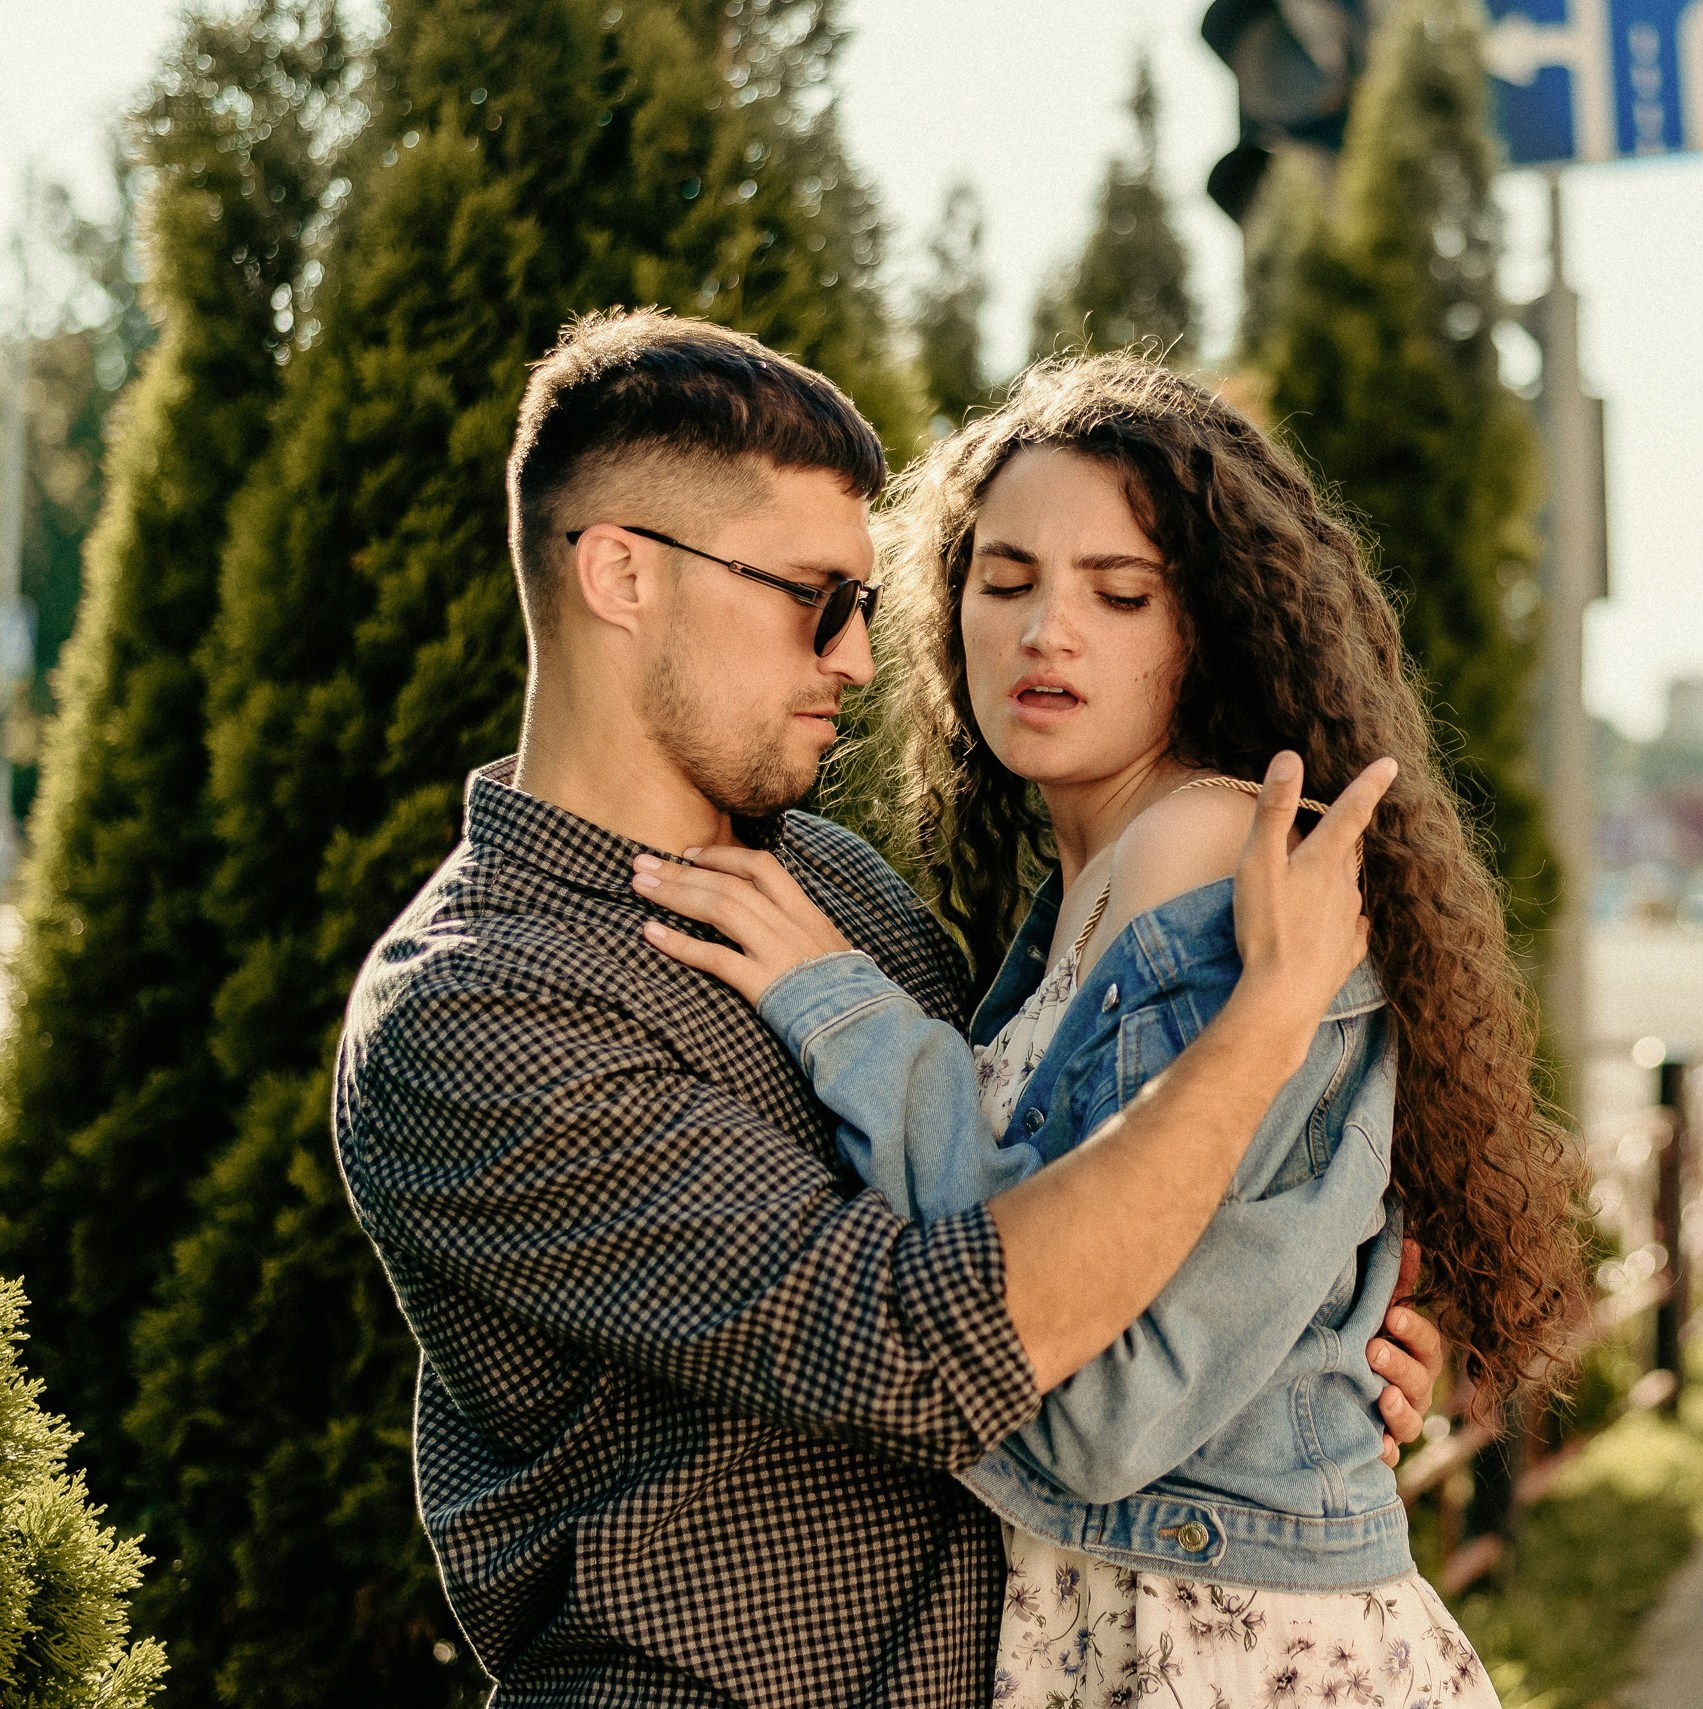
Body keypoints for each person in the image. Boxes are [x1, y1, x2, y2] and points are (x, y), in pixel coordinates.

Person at [331, 310, 1439, 1706]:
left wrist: (1309, 1349)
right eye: (816, 598)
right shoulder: (478, 1011)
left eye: (865, 602)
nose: (860, 659)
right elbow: (939, 1339)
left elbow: (1056, 1195)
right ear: (620, 572)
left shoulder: (836, 888)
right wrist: (1261, 1031)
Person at [628, 355, 1590, 1704]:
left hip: (1230, 1653)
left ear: (1204, 625)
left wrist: (844, 1016)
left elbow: (1094, 1403)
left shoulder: (1202, 858)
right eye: (1005, 579)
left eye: (1118, 592)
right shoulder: (1081, 891)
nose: (1047, 632)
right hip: (1140, 1627)